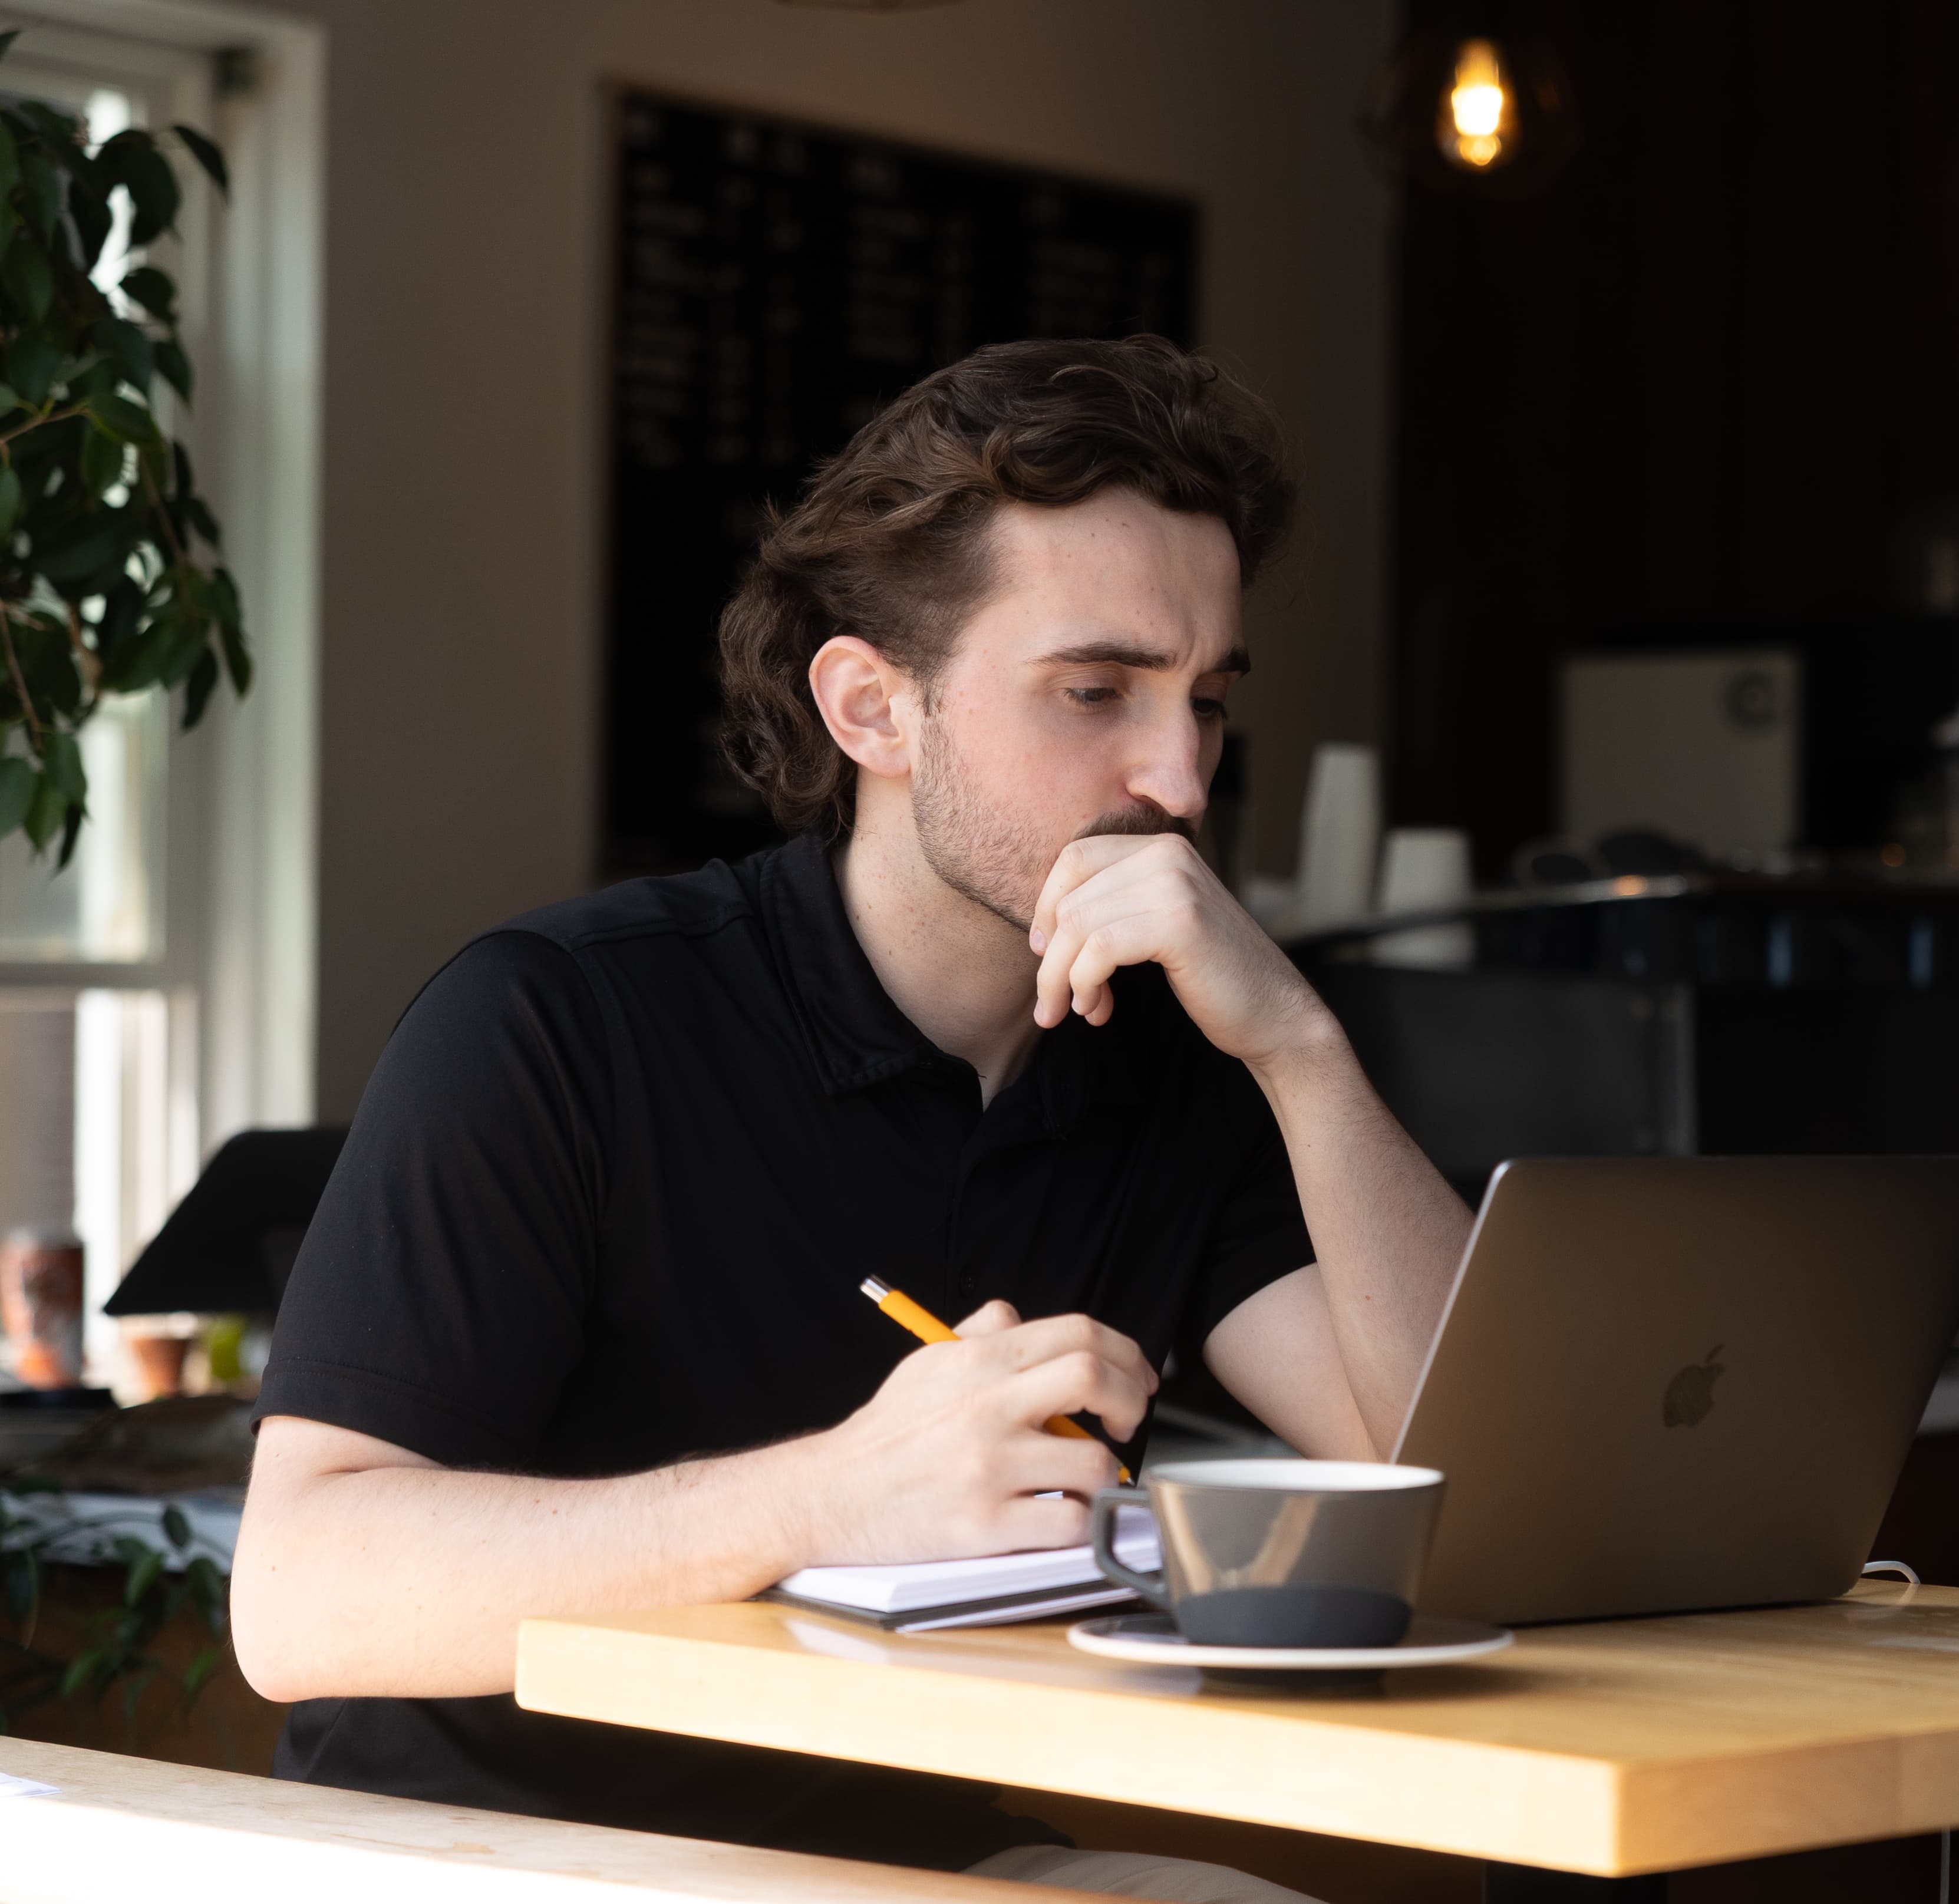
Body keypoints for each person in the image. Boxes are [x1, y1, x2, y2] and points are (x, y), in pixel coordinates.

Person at [231, 336, 1471, 1903]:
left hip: (904, 1860)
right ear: (873, 707)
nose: (1175, 778)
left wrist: (1298, 1046)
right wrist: (831, 1498)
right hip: (496, 1860)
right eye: (1095, 691)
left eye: (1207, 703)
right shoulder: (555, 1019)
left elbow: (1457, 1473)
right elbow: (297, 1597)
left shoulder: (1177, 1064)